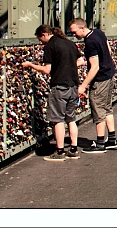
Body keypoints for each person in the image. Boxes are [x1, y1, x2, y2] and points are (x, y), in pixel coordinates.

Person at [22, 25, 81, 161]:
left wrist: (30, 65)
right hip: (73, 85)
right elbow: (81, 60)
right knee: (71, 119)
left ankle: (60, 152)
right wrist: (67, 66)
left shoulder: (50, 45)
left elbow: (47, 70)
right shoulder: (70, 43)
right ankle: (73, 149)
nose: (41, 42)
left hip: (59, 86)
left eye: (40, 39)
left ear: (44, 34)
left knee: (57, 120)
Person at [69, 18, 117, 153]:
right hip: (109, 73)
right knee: (107, 107)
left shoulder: (90, 42)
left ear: (82, 28)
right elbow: (108, 49)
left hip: (100, 78)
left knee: (98, 109)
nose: (74, 36)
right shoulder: (98, 33)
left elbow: (95, 67)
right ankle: (112, 139)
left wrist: (83, 85)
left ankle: (100, 142)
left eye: (74, 32)